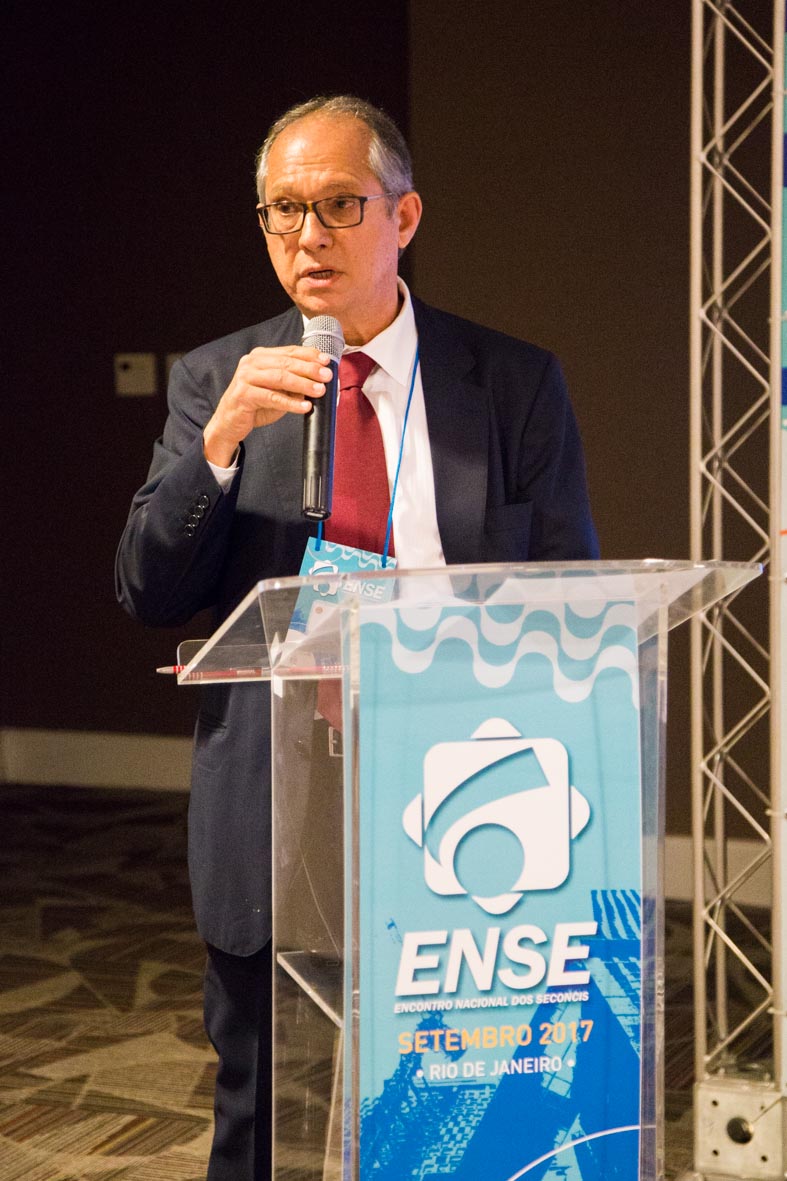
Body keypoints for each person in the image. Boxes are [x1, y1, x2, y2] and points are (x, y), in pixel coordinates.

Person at [116, 93, 599, 1181]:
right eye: (282, 210)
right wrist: (221, 445)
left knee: (463, 1104)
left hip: (464, 783)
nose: (308, 236)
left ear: (404, 217)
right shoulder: (218, 380)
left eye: (339, 205)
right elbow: (146, 588)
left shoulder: (510, 381)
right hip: (279, 787)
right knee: (263, 1106)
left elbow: (570, 599)